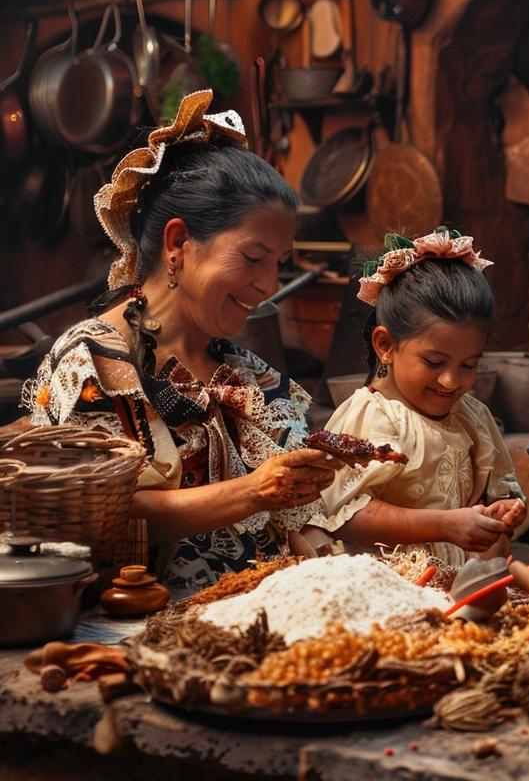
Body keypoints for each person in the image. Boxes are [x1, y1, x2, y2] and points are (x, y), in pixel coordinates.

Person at [25, 90, 339, 596]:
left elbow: (297, 518)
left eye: (279, 262)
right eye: (254, 258)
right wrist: (255, 491)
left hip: (259, 618)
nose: (269, 284)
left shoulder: (246, 375)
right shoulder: (93, 363)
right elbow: (103, 515)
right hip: (135, 626)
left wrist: (326, 560)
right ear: (178, 244)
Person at [307, 228, 526, 565]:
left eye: (469, 364)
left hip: (456, 584)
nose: (452, 380)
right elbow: (343, 514)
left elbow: (494, 489)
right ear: (386, 346)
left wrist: (501, 511)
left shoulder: (472, 416)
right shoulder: (373, 417)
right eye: (434, 362)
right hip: (391, 590)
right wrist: (441, 525)